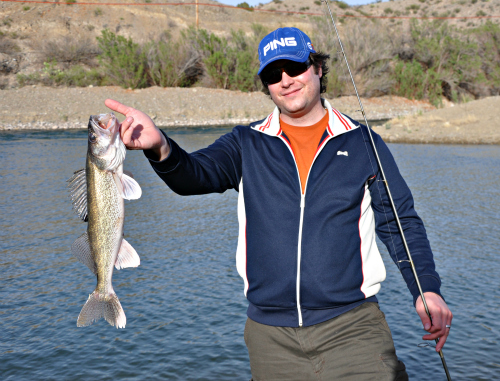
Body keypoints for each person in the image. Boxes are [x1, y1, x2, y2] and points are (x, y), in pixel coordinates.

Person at [105, 27, 452, 380]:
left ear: (317, 68)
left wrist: (426, 289)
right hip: (270, 338)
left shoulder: (364, 142)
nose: (285, 80)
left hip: (353, 329)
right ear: (266, 85)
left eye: (294, 67)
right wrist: (160, 145)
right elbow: (193, 176)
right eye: (273, 74)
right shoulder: (246, 143)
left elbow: (399, 222)